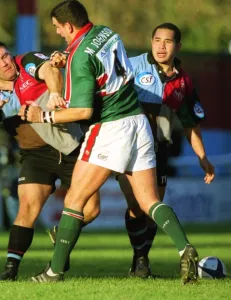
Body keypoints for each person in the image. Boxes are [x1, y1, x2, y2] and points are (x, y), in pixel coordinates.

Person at [20, 0, 199, 284]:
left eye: (58, 28)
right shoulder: (105, 32)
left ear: (68, 25)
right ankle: (185, 247)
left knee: (75, 200)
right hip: (139, 123)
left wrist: (42, 115)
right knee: (149, 200)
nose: (58, 34)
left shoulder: (79, 56)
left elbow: (83, 111)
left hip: (110, 127)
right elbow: (91, 55)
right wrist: (66, 55)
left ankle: (54, 272)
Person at [117, 23, 214, 278]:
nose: (161, 46)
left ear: (177, 46)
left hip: (159, 148)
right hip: (128, 146)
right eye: (157, 40)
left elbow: (191, 124)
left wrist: (202, 157)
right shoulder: (133, 65)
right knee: (137, 205)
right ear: (151, 42)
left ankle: (141, 261)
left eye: (167, 41)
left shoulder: (182, 81)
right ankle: (140, 258)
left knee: (153, 207)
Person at [0, 42, 100, 281]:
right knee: (26, 208)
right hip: (35, 155)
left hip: (71, 147)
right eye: (0, 62)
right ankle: (10, 270)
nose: (6, 63)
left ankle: (61, 233)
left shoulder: (26, 61)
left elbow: (49, 70)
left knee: (92, 209)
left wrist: (54, 93)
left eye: (5, 56)